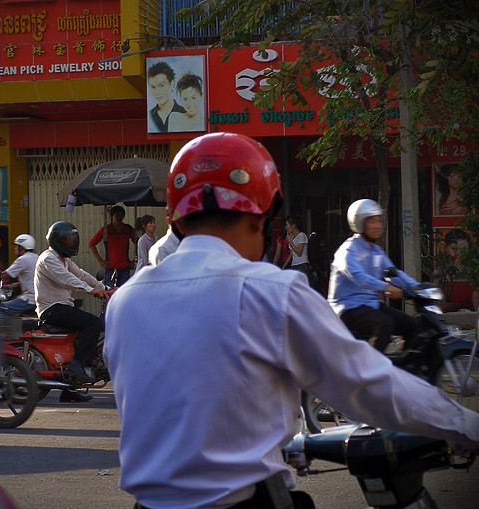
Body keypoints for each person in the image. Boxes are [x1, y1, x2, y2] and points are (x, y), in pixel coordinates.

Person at [103, 133, 479, 509]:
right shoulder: (270, 291)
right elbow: (368, 385)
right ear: (265, 215)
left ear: (175, 219)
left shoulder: (123, 303)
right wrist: (465, 425)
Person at [327, 199, 420, 353]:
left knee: (411, 325)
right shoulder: (348, 251)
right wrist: (386, 287)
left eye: (379, 221)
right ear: (359, 223)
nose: (378, 226)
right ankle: (371, 370)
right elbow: (359, 278)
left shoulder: (376, 251)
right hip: (347, 309)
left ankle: (405, 368)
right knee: (385, 324)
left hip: (370, 306)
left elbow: (393, 273)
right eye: (372, 221)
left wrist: (418, 287)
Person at [35, 221, 107, 385]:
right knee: (93, 323)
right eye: (68, 240)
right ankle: (77, 364)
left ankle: (70, 389)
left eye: (73, 239)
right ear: (57, 240)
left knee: (82, 332)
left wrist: (103, 287)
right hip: (52, 309)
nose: (72, 243)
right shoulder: (48, 258)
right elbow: (68, 280)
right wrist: (91, 290)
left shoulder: (64, 260)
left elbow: (81, 274)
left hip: (63, 307)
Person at [0, 234, 39, 315]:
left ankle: (3, 327)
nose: (15, 249)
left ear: (22, 247)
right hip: (38, 298)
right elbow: (31, 278)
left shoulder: (22, 259)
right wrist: (13, 285)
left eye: (17, 246)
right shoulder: (37, 257)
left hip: (28, 299)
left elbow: (5, 275)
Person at [88, 205, 135, 288]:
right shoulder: (105, 230)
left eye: (121, 216)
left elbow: (139, 244)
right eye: (117, 215)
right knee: (109, 292)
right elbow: (91, 244)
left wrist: (134, 260)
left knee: (124, 291)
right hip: (110, 267)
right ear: (112, 216)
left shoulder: (128, 229)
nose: (119, 218)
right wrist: (101, 261)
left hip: (124, 267)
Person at [148, 61, 186, 133]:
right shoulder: (150, 116)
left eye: (161, 85)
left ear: (172, 84)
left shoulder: (184, 113)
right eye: (153, 87)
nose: (157, 92)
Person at [282, 215, 310, 281]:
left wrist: (290, 242)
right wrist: (283, 267)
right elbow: (291, 254)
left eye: (287, 225)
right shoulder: (291, 237)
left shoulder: (301, 235)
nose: (286, 227)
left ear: (293, 226)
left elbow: (299, 253)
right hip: (294, 264)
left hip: (302, 264)